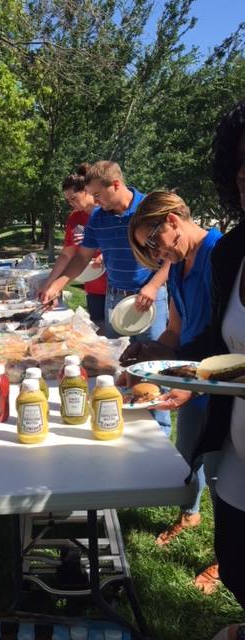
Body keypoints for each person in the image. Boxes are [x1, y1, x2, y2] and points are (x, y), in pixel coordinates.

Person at [156, 100, 245, 608]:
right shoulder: (234, 253)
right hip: (234, 445)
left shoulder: (213, 250)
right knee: (237, 566)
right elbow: (216, 345)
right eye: (238, 164)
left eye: (155, 242)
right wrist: (178, 375)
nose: (243, 177)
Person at [121, 190, 222, 591]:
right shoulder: (178, 267)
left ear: (172, 222)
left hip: (221, 385)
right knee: (188, 457)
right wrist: (150, 352)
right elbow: (177, 332)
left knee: (223, 475)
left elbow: (226, 337)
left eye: (152, 243)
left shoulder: (221, 254)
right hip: (194, 382)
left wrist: (192, 387)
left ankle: (226, 558)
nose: (156, 255)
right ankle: (190, 514)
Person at [40, 160, 171, 435]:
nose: (95, 202)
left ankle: (158, 432)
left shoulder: (149, 208)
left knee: (152, 368)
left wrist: (155, 285)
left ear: (116, 184)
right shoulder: (99, 217)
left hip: (149, 299)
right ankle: (123, 426)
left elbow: (174, 253)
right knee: (116, 367)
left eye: (98, 195)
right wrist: (58, 285)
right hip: (115, 300)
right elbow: (80, 259)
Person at [39, 166, 107, 331]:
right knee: (102, 335)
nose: (71, 204)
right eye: (68, 200)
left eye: (74, 198)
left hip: (117, 287)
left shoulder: (107, 211)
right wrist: (49, 286)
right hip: (94, 287)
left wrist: (106, 256)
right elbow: (66, 256)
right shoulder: (75, 219)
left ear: (87, 191)